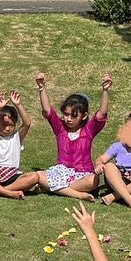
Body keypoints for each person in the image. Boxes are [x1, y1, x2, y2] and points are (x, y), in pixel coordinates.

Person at [32, 71, 111, 201]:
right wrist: (42, 87)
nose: (68, 119)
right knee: (39, 175)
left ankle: (53, 188)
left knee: (93, 181)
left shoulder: (88, 131)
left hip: (83, 174)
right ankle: (77, 194)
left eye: (74, 116)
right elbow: (48, 111)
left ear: (84, 116)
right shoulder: (60, 128)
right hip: (61, 172)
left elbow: (101, 114)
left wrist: (105, 91)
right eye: (66, 114)